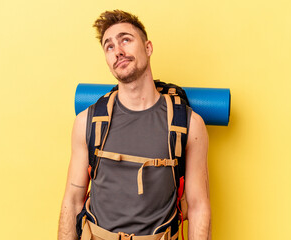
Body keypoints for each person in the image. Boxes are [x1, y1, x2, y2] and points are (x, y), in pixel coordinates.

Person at [58, 10, 211, 240]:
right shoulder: (86, 123)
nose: (118, 51)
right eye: (109, 46)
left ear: (148, 48)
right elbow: (72, 200)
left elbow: (199, 207)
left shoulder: (189, 124)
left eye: (126, 40)